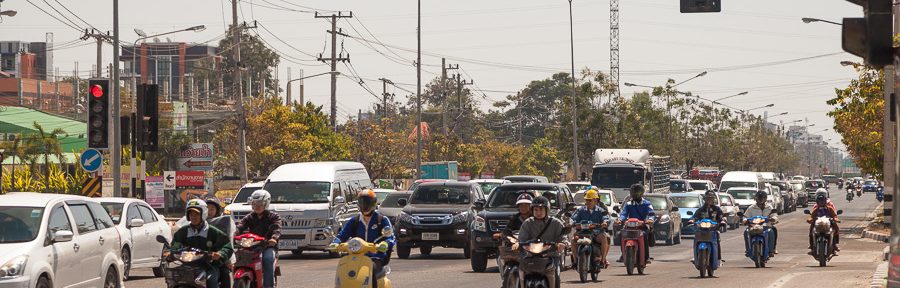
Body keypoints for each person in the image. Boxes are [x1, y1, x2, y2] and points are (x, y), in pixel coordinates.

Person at [330, 189, 395, 288]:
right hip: (355, 256)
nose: (364, 205)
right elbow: (342, 235)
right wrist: (335, 242)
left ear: (373, 203)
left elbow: (390, 236)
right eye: (362, 202)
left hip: (375, 257)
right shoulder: (354, 221)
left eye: (367, 202)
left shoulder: (381, 220)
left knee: (372, 267)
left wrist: (385, 244)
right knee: (344, 266)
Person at [168, 199, 233, 288]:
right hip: (187, 265)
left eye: (196, 214)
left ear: (203, 214)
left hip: (209, 266)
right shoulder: (183, 231)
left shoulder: (213, 231)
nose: (193, 217)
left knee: (210, 280)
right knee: (173, 280)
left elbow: (227, 246)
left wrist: (220, 254)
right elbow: (176, 244)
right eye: (191, 214)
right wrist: (170, 252)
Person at [512, 196, 568, 288]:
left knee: (556, 277)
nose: (538, 212)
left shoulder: (556, 223)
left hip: (551, 256)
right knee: (520, 273)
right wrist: (517, 244)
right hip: (530, 256)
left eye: (541, 210)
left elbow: (563, 237)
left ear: (547, 210)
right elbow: (521, 239)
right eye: (536, 210)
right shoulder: (527, 223)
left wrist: (562, 243)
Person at [236, 190, 282, 288]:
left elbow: (276, 229)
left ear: (266, 204)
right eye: (254, 203)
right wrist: (234, 232)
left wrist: (273, 238)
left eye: (260, 204)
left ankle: (268, 286)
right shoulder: (250, 217)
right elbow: (241, 225)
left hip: (267, 246)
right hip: (251, 246)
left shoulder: (274, 217)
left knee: (268, 259)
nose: (257, 206)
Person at [570, 188, 611, 268]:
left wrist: (604, 222)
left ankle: (602, 260)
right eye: (586, 200)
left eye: (590, 200)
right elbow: (573, 218)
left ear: (595, 201)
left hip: (596, 234)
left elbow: (605, 217)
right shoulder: (580, 210)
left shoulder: (600, 210)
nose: (588, 202)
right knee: (572, 240)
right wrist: (571, 223)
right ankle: (575, 261)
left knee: (604, 237)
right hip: (582, 233)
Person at [615, 184, 655, 264]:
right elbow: (624, 213)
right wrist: (620, 219)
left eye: (637, 192)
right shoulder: (628, 204)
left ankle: (646, 257)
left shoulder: (647, 203)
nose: (635, 194)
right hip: (630, 226)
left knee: (644, 235)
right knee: (621, 234)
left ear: (641, 193)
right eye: (633, 192)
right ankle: (624, 254)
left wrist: (650, 220)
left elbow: (651, 213)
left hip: (642, 225)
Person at [687, 190, 725, 262]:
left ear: (714, 199)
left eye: (711, 198)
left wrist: (722, 221)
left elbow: (721, 217)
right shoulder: (700, 209)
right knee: (696, 238)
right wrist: (692, 220)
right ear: (704, 199)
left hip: (713, 230)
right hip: (701, 230)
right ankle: (696, 256)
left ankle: (718, 258)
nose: (709, 200)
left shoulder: (717, 209)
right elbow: (695, 217)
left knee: (717, 236)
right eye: (707, 198)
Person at [742, 190, 779, 257]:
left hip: (766, 227)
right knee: (746, 232)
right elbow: (745, 216)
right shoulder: (751, 208)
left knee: (772, 231)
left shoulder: (769, 207)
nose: (760, 200)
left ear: (765, 199)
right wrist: (745, 220)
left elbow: (774, 215)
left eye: (762, 198)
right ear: (756, 199)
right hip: (753, 227)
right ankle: (748, 250)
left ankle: (771, 250)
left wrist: (773, 219)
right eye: (759, 198)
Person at [807, 189, 840, 255]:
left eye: (822, 201)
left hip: (828, 223)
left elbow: (834, 215)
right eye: (820, 201)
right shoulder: (816, 208)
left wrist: (835, 219)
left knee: (836, 228)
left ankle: (835, 245)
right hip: (818, 223)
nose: (821, 202)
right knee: (811, 231)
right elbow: (812, 216)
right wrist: (810, 219)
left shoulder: (829, 208)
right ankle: (812, 246)